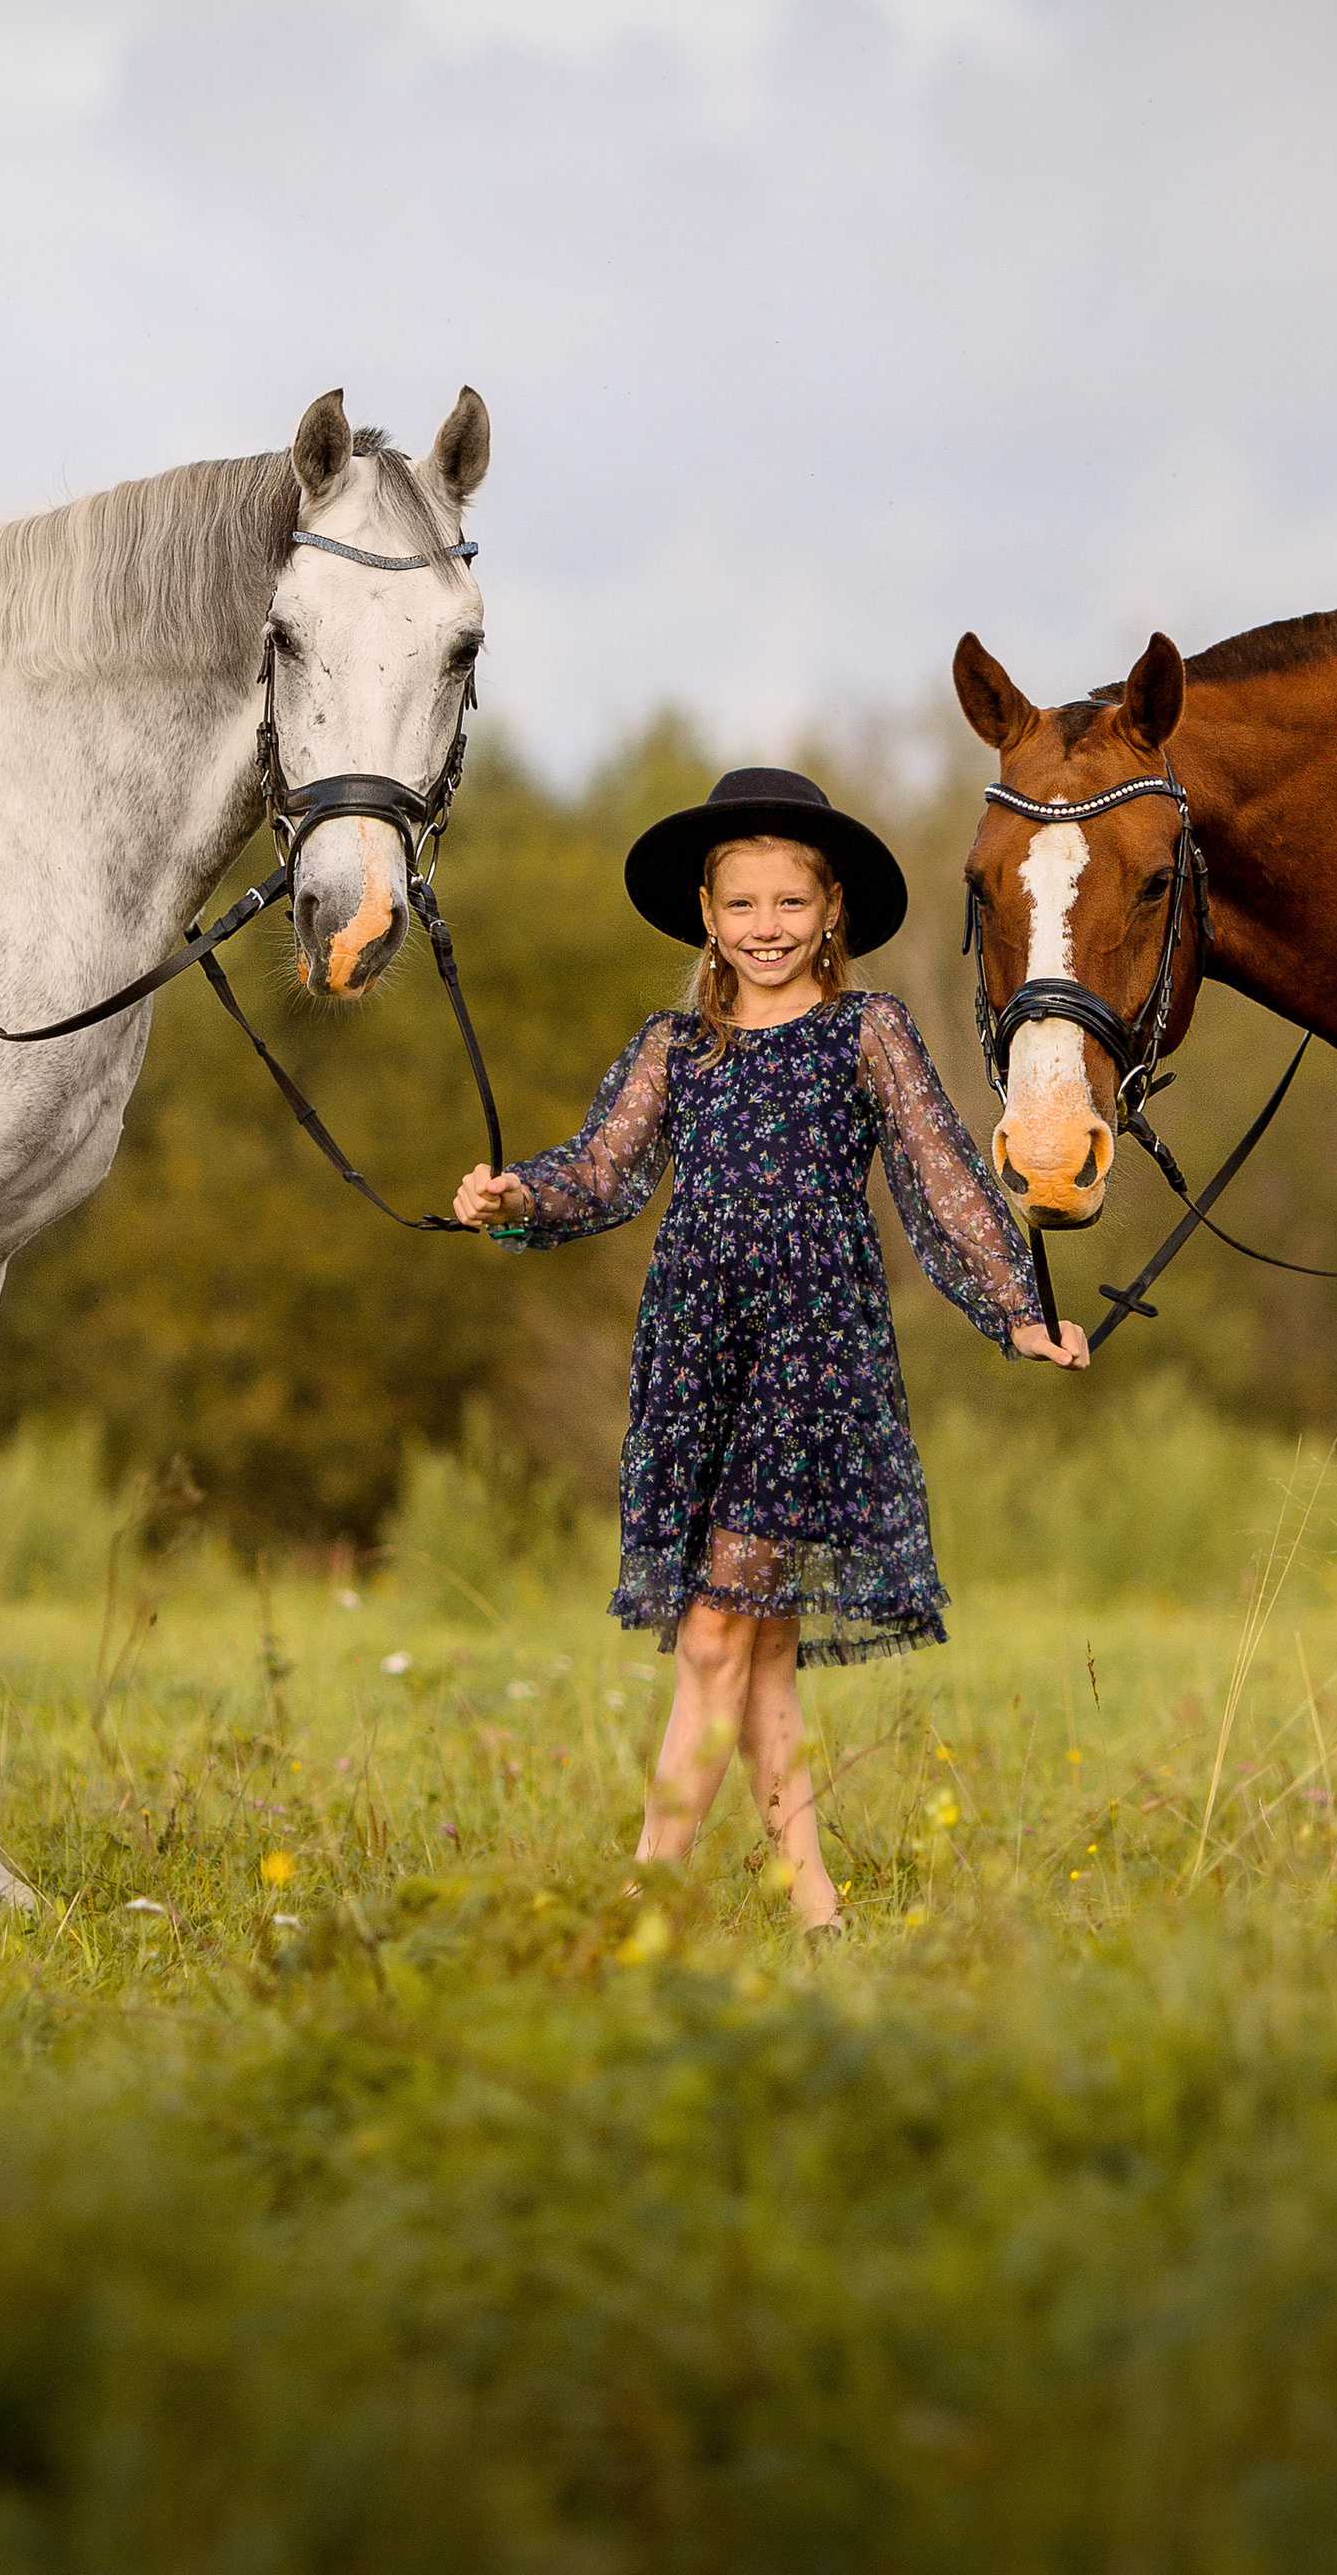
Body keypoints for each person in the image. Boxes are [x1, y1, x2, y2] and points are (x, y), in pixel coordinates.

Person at [454, 763, 1087, 1933]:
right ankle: (814, 1907)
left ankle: (647, 1903)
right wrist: (513, 1198)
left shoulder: (868, 1029)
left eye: (790, 904)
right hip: (696, 1356)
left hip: (811, 1355)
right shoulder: (673, 1046)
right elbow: (602, 1170)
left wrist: (1016, 1309)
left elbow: (940, 1176)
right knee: (759, 1643)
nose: (765, 930)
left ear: (832, 907)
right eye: (741, 905)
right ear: (705, 913)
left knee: (712, 1631)